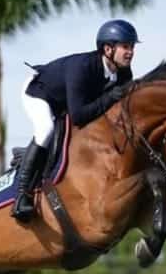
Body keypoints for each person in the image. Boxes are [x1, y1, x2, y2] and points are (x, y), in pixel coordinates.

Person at [11, 19, 139, 222]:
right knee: (46, 130)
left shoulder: (124, 73)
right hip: (40, 94)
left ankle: (27, 155)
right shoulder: (83, 68)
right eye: (125, 46)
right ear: (108, 49)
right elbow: (79, 116)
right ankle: (22, 194)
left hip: (68, 102)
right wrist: (109, 97)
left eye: (132, 47)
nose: (130, 52)